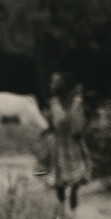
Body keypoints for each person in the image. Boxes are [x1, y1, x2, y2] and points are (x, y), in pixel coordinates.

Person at [41, 72, 92, 209]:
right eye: (52, 82)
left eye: (55, 82)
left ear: (65, 85)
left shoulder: (76, 103)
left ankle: (73, 193)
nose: (52, 85)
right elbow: (51, 124)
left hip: (73, 142)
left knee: (76, 173)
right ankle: (62, 202)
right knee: (59, 178)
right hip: (58, 144)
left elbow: (80, 124)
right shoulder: (52, 103)